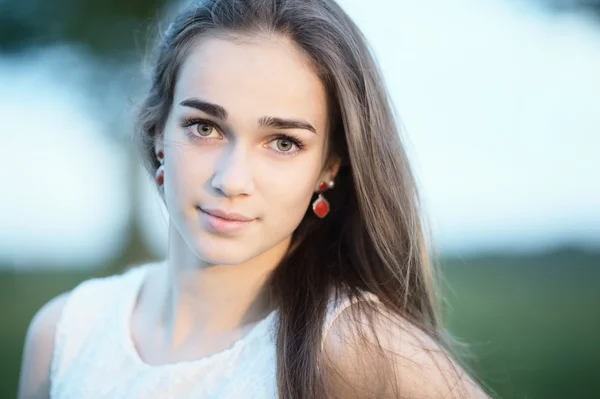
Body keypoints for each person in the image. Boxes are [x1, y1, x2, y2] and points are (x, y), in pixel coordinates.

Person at [18, 0, 495, 398]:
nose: (232, 180)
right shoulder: (64, 335)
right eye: (204, 128)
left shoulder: (360, 349)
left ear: (328, 169)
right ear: (159, 133)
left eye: (283, 142)